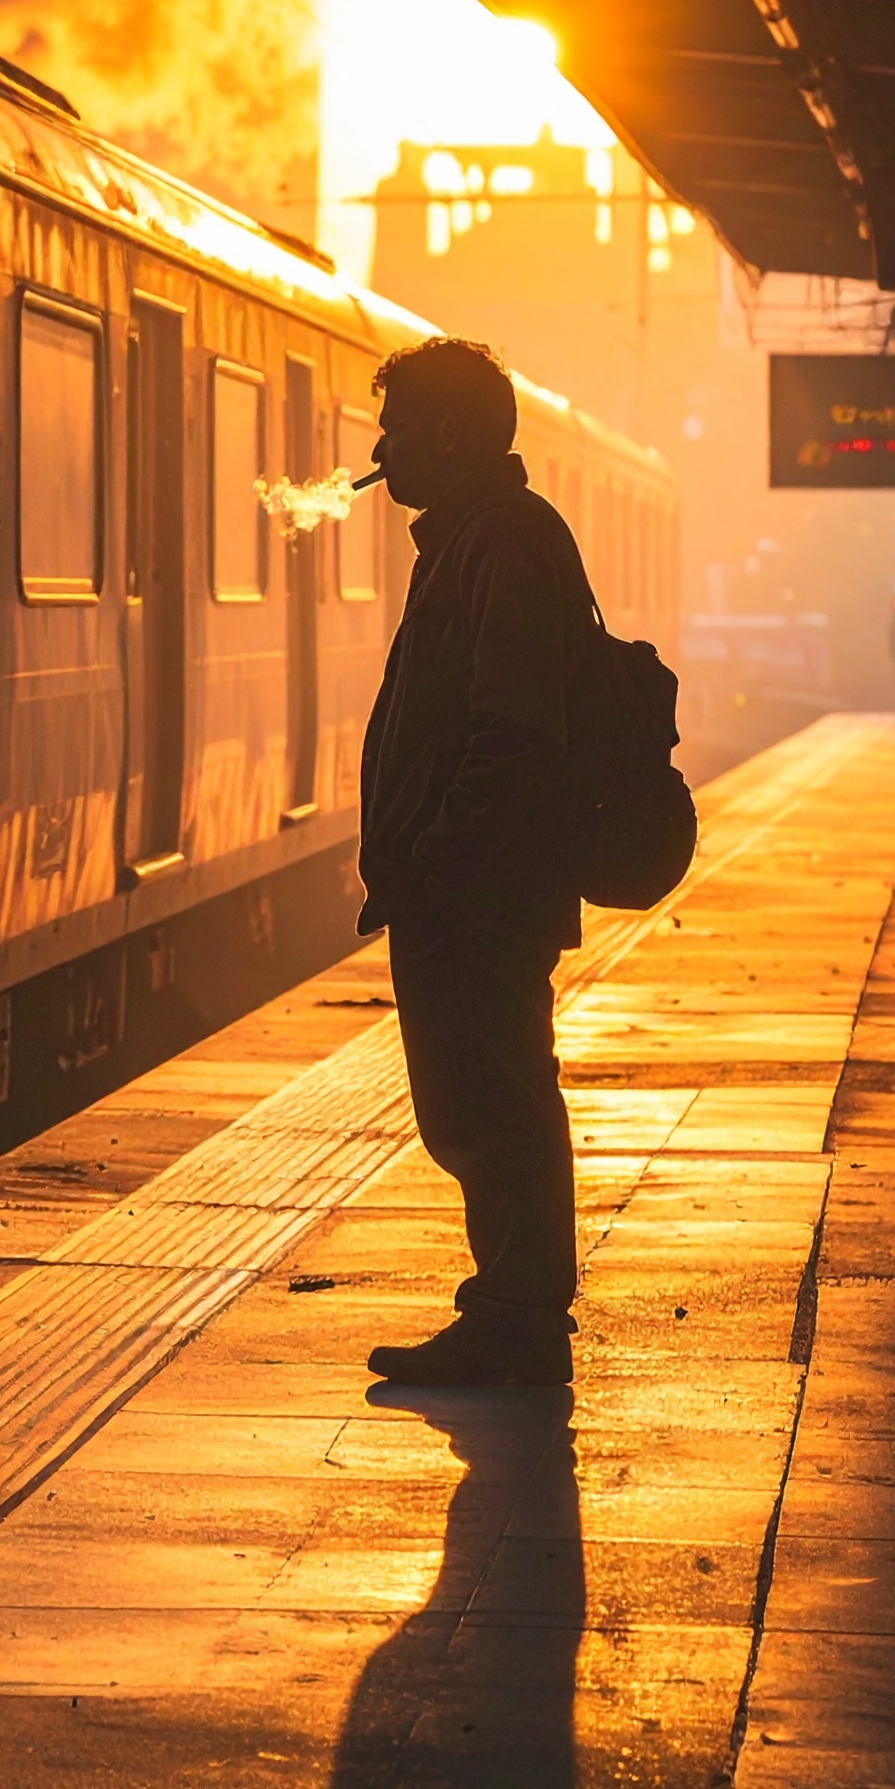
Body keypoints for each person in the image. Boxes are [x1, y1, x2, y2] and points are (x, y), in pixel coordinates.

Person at [355, 336, 593, 1388]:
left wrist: (444, 859)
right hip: (472, 881)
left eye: (397, 425)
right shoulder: (478, 538)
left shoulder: (497, 544)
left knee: (489, 1102)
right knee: (481, 1099)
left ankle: (514, 1320)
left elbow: (509, 726)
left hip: (480, 888)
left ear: (447, 434)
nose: (380, 447)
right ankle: (509, 1310)